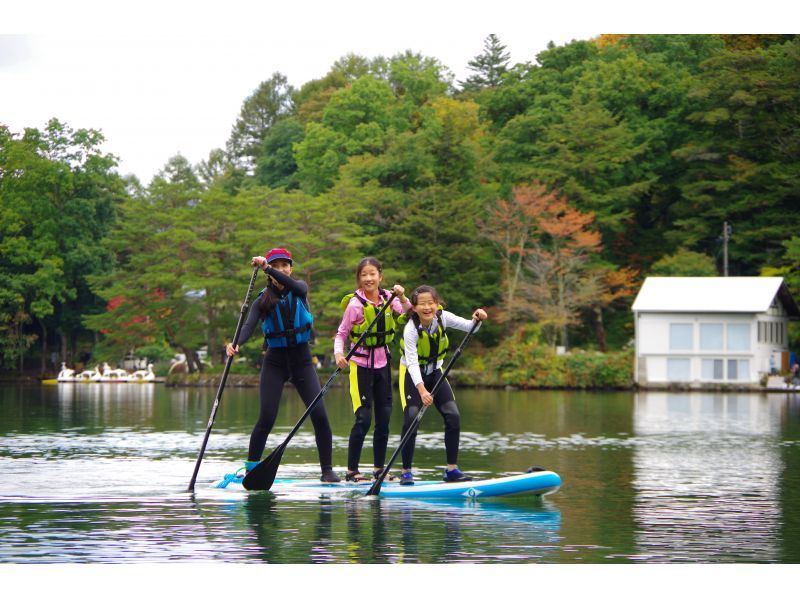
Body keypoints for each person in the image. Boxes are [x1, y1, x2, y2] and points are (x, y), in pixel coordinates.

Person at [226, 247, 340, 483]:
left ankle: (327, 471)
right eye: (275, 266)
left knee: (319, 415)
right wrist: (236, 343)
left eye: (284, 265)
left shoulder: (300, 289)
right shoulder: (262, 300)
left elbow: (296, 286)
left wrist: (266, 267)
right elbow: (248, 327)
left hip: (302, 361)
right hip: (275, 362)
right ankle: (251, 469)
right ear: (269, 272)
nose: (280, 269)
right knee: (267, 417)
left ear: (291, 268)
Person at [397, 285, 487, 485]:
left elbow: (471, 327)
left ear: (437, 305)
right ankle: (406, 471)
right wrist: (422, 391)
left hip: (436, 373)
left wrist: (478, 317)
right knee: (412, 418)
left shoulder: (443, 318)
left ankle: (452, 470)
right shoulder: (410, 329)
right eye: (422, 304)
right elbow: (411, 363)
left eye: (431, 303)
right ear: (414, 307)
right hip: (413, 375)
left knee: (453, 415)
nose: (427, 308)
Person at [334, 257, 411, 483]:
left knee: (384, 419)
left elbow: (409, 313)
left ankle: (379, 469)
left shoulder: (389, 298)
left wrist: (403, 295)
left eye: (372, 274)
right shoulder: (355, 305)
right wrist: (339, 354)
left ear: (380, 276)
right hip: (360, 367)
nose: (368, 278)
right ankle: (352, 471)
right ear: (359, 278)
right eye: (364, 275)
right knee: (363, 419)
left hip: (383, 365)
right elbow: (341, 334)